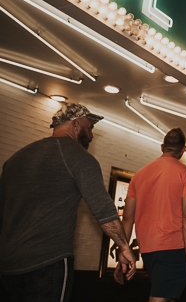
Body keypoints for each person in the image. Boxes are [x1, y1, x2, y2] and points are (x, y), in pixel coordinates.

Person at [0, 102, 136, 301]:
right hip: (48, 262)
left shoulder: (14, 160)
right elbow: (104, 211)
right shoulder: (80, 157)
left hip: (8, 266)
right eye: (89, 128)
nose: (90, 135)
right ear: (75, 125)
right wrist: (124, 247)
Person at [115, 128, 186, 302]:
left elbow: (127, 218)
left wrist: (123, 251)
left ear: (162, 147)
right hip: (173, 247)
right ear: (183, 150)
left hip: (148, 249)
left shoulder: (138, 176)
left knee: (168, 297)